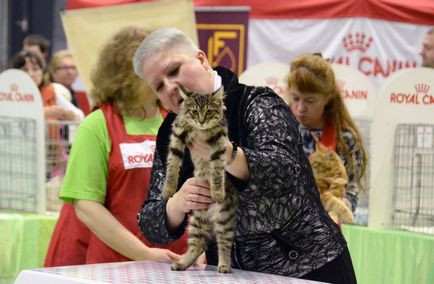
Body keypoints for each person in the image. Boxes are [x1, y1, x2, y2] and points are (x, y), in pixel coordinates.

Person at [133, 27, 357, 283]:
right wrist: (177, 203)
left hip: (309, 268)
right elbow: (149, 222)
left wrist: (227, 154)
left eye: (174, 71)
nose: (170, 87)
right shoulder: (169, 132)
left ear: (202, 60)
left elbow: (286, 176)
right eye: (159, 86)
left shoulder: (258, 102)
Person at [44, 26, 187, 266]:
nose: (167, 81)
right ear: (127, 75)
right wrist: (144, 253)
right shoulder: (97, 125)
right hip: (118, 264)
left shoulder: (176, 120)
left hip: (180, 260)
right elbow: (87, 207)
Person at [287, 53, 367, 214]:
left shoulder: (345, 139)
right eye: (295, 98)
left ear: (328, 98)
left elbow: (351, 191)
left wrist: (340, 205)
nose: (300, 108)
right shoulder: (280, 129)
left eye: (310, 101)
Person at [8, 50, 83, 122]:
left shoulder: (51, 91)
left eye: (35, 69)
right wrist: (43, 113)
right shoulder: (7, 93)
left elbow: (80, 115)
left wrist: (71, 116)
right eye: (25, 69)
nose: (31, 74)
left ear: (42, 71)